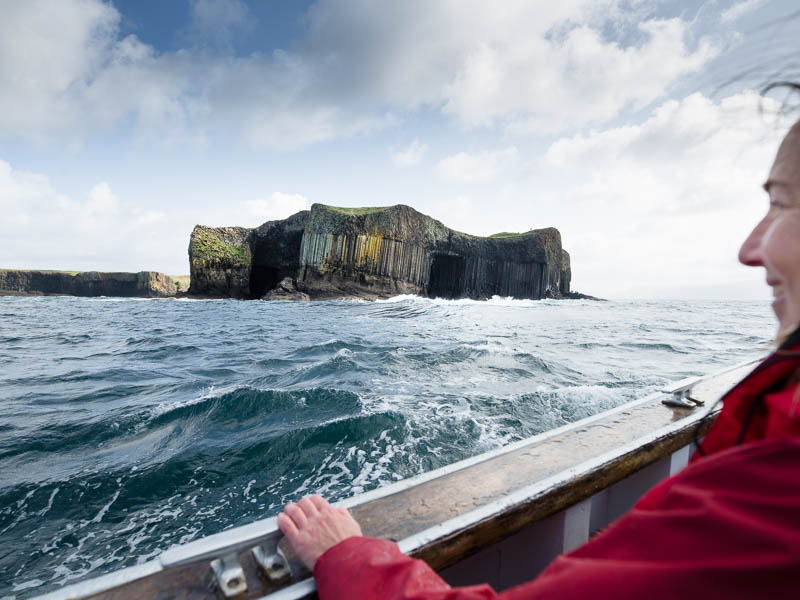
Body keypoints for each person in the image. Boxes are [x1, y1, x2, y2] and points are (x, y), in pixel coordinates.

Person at [277, 117, 800, 599]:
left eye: (780, 204)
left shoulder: (779, 479)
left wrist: (345, 556)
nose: (749, 248)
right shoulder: (774, 434)